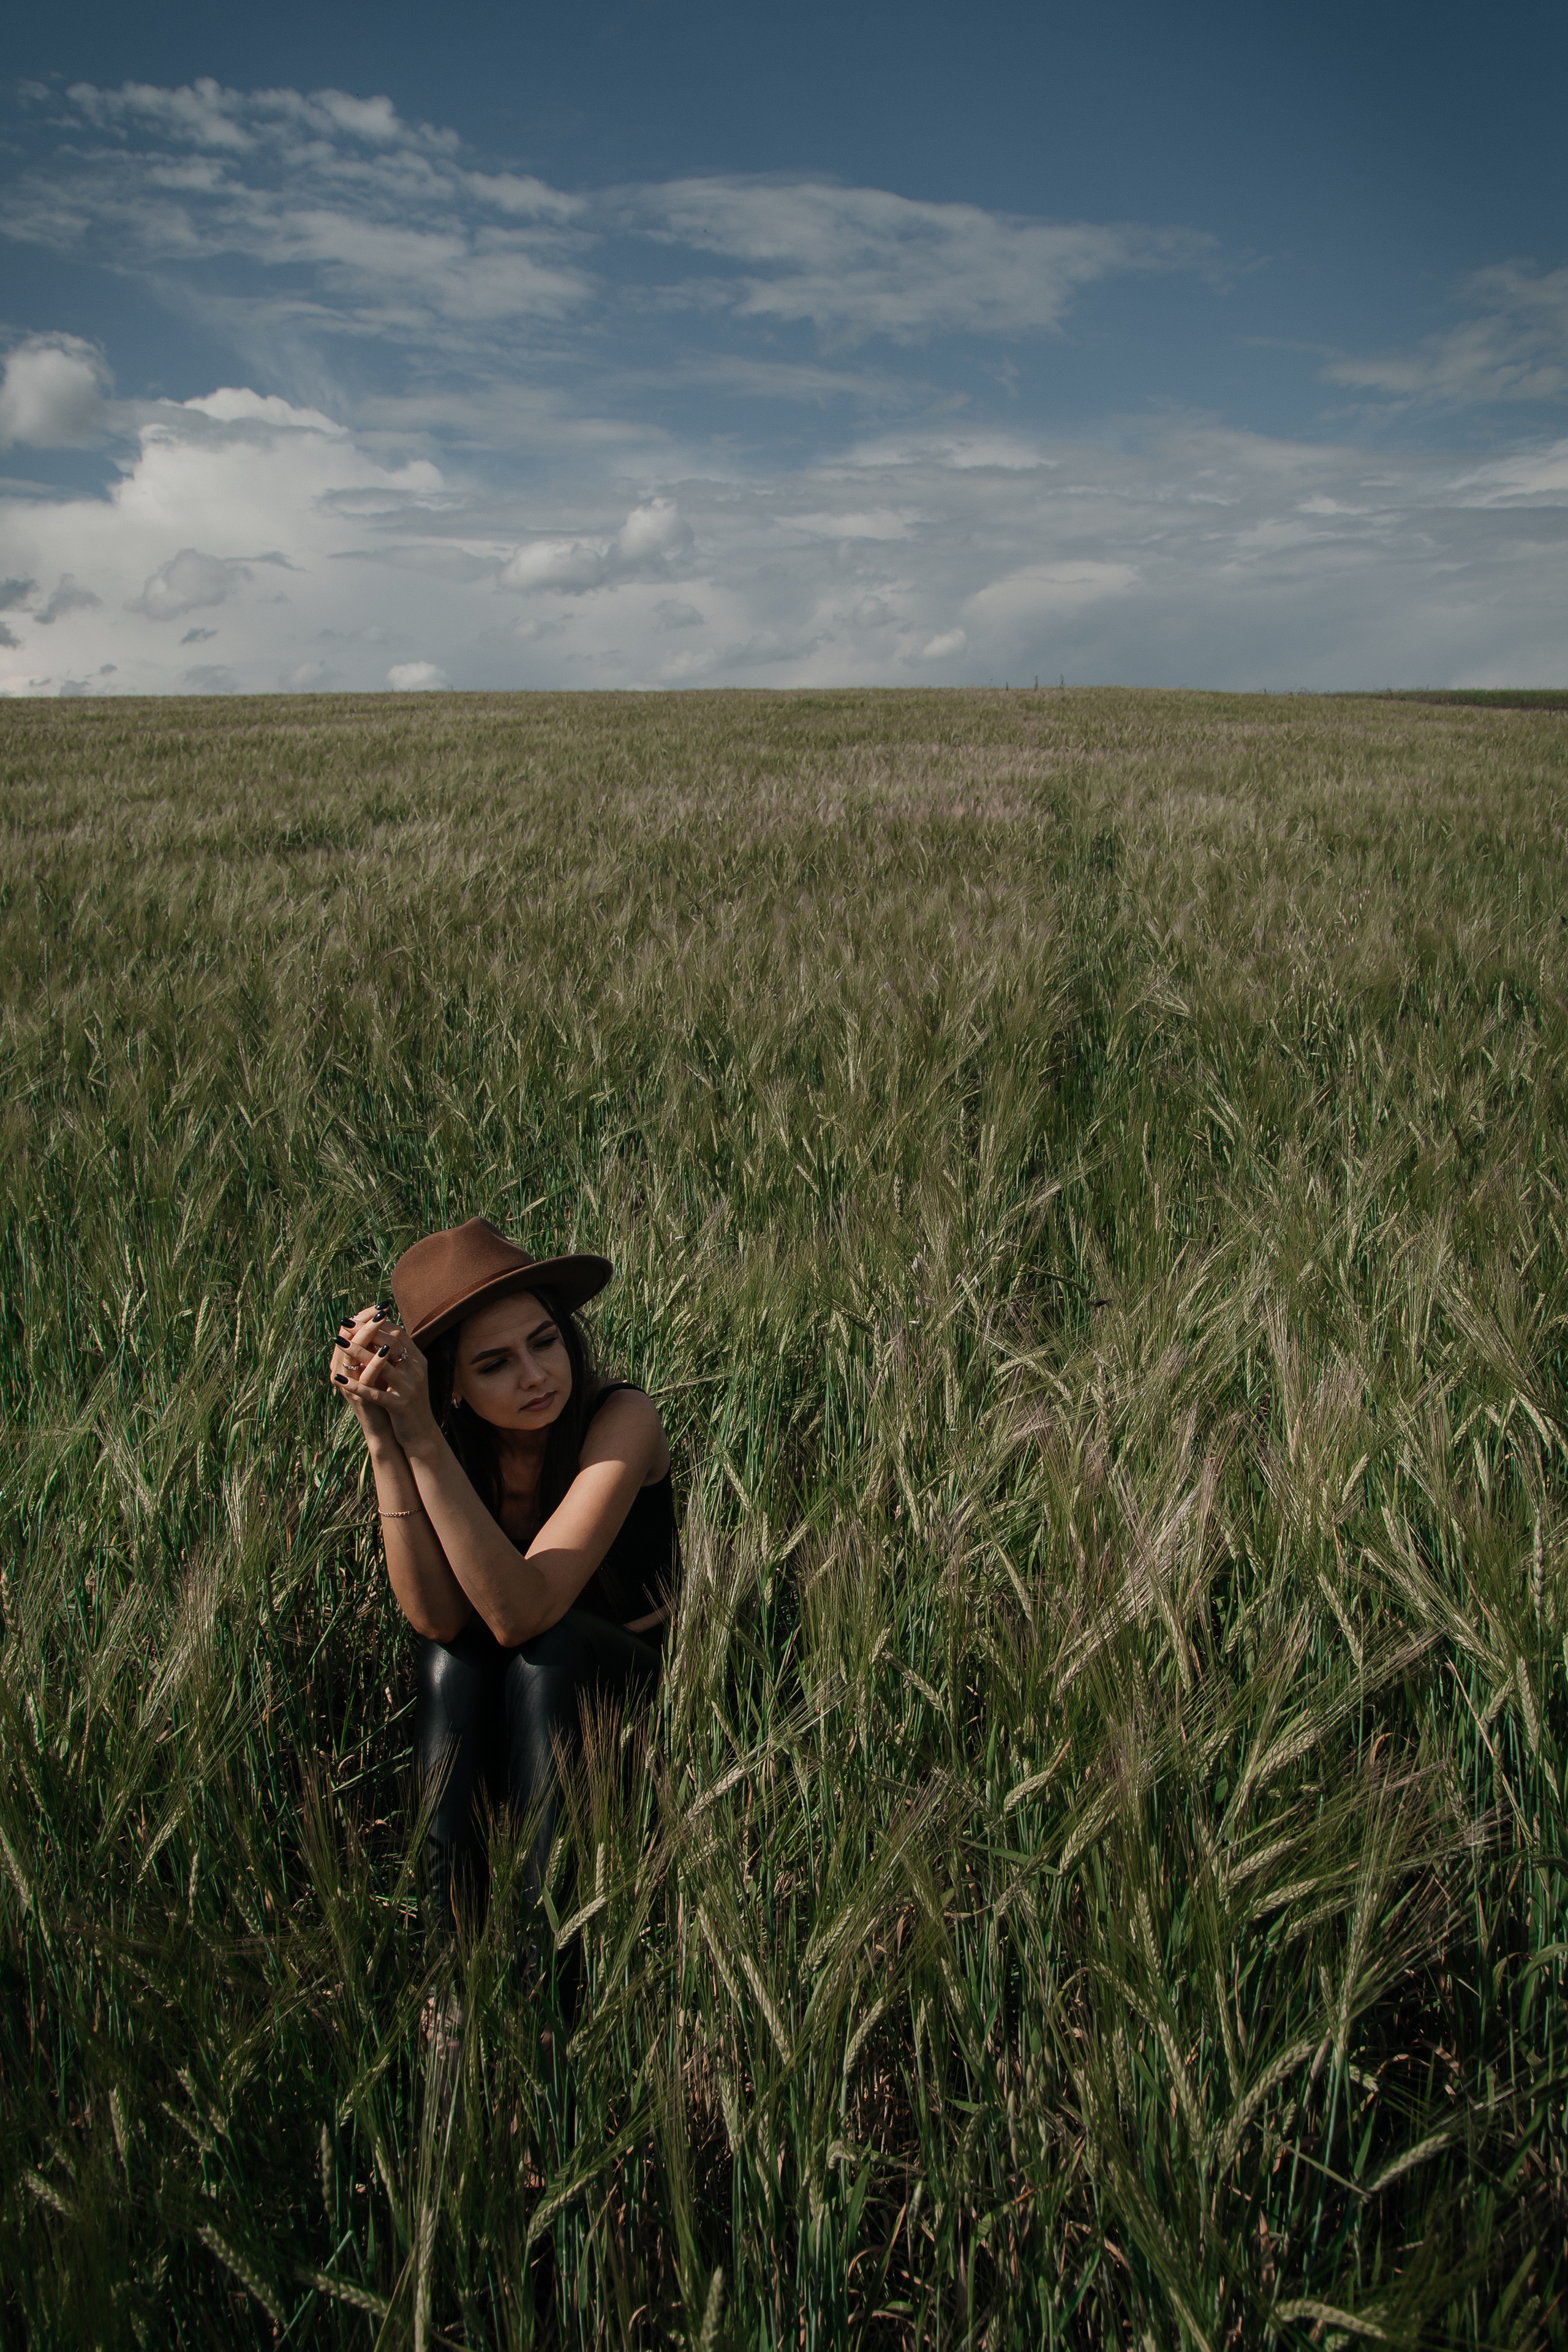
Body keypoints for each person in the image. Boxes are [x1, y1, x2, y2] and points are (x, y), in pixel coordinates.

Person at [326, 1216, 677, 1945]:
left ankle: (546, 1969)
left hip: (632, 1696)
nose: (535, 1375)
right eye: (493, 1364)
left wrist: (421, 1435)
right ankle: (451, 1964)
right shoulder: (451, 1449)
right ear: (447, 1384)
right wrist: (384, 1440)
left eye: (544, 1341)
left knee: (549, 1649)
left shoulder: (621, 1418)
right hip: (514, 1692)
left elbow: (522, 1616)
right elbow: (437, 1619)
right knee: (446, 1660)